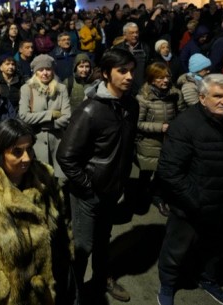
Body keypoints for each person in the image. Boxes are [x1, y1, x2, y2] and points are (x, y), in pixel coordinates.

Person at [156, 74, 223, 305]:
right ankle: (167, 286)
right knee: (176, 251)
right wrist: (196, 201)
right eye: (218, 96)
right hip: (190, 208)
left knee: (214, 248)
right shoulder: (185, 124)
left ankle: (208, 279)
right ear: (202, 98)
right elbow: (170, 171)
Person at [56, 48, 139, 304]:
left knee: (104, 241)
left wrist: (120, 183)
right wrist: (87, 189)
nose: (129, 76)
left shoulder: (131, 104)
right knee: (82, 248)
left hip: (112, 191)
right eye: (122, 71)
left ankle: (102, 279)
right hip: (87, 195)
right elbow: (65, 156)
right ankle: (74, 293)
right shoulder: (89, 111)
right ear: (105, 74)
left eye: (132, 71)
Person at [0, 118, 72, 305]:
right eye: (17, 152)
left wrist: (66, 261)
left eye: (29, 149)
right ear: (0, 153)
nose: (26, 158)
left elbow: (63, 221)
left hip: (53, 287)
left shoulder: (45, 175)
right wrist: (3, 293)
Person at [135, 62, 186, 217]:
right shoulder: (143, 98)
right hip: (149, 143)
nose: (165, 80)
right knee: (146, 172)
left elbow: (183, 114)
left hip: (170, 142)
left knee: (162, 173)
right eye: (159, 78)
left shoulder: (176, 94)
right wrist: (160, 127)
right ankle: (140, 197)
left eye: (167, 77)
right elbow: (138, 123)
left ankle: (158, 198)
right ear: (151, 79)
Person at [19, 54, 71, 179]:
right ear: (35, 72)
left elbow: (67, 117)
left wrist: (43, 124)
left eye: (48, 69)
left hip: (58, 143)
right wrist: (50, 114)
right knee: (38, 181)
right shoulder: (27, 89)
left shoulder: (61, 89)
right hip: (35, 144)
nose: (45, 73)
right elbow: (24, 116)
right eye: (41, 70)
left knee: (60, 183)